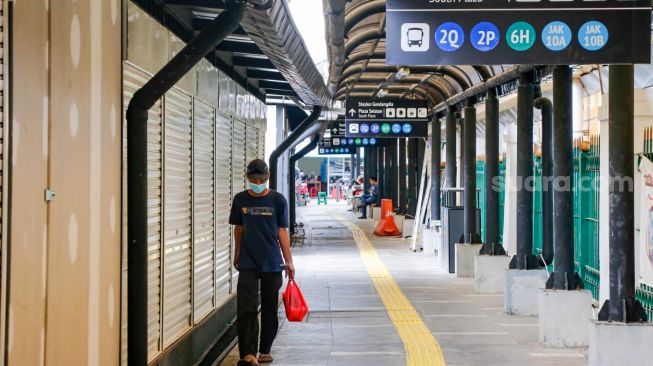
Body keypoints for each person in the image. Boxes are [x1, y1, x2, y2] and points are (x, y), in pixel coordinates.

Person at [229, 159, 296, 366]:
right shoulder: (240, 200)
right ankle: (248, 353)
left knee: (269, 307)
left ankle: (265, 349)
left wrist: (289, 261)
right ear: (248, 178)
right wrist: (237, 252)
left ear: (267, 178)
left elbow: (281, 231)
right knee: (246, 308)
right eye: (253, 179)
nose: (257, 182)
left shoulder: (278, 200)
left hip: (272, 262)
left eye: (261, 179)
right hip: (248, 261)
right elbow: (238, 228)